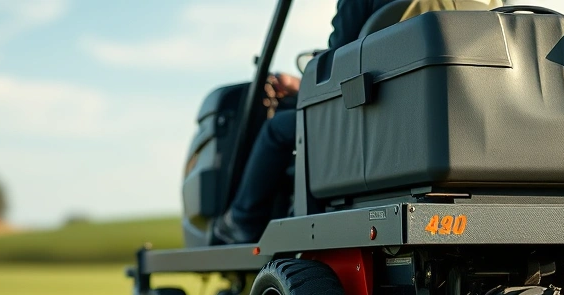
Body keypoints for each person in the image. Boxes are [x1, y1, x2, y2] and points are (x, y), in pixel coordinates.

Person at [212, 0, 503, 245]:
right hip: (481, 123)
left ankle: (242, 220)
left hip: (386, 119)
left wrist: (299, 86)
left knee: (277, 130)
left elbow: (338, 65)